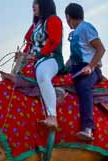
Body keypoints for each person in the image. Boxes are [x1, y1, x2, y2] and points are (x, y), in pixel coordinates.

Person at [64, 3, 106, 141]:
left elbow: (101, 49)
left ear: (68, 16)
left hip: (90, 69)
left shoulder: (86, 28)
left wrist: (90, 66)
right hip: (76, 69)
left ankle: (87, 128)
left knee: (83, 87)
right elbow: (74, 57)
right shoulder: (75, 33)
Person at [21, 0, 64, 129]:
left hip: (50, 59)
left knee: (43, 76)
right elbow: (29, 45)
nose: (33, 6)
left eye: (37, 3)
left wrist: (36, 56)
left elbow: (53, 41)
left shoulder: (53, 20)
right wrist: (23, 56)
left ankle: (52, 116)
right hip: (33, 61)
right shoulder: (35, 25)